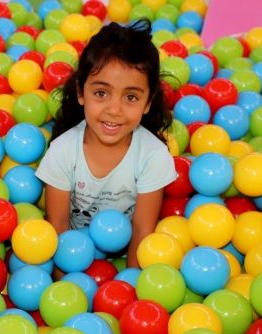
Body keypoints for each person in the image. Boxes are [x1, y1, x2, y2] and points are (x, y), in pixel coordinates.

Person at [35, 19, 177, 268]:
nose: (114, 109)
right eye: (101, 93)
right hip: (75, 261)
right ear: (81, 92)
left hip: (124, 261)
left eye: (131, 97)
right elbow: (57, 228)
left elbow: (143, 232)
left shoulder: (153, 155)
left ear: (147, 102)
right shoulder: (62, 151)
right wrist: (64, 290)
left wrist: (132, 290)